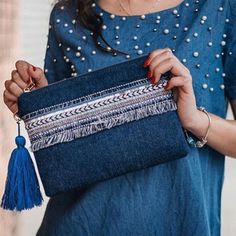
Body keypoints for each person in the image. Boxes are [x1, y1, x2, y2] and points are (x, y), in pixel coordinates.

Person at [3, 0, 236, 235]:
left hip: (182, 224)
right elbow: (64, 149)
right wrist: (35, 101)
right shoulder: (68, 15)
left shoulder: (220, 8)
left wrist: (194, 120)